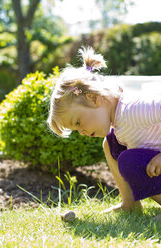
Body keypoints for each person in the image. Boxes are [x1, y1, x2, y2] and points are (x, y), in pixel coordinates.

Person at [47, 47, 161, 220]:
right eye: (76, 129)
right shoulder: (120, 118)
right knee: (110, 144)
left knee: (129, 162)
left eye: (78, 122)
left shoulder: (134, 110)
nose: (82, 131)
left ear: (93, 98)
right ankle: (130, 205)